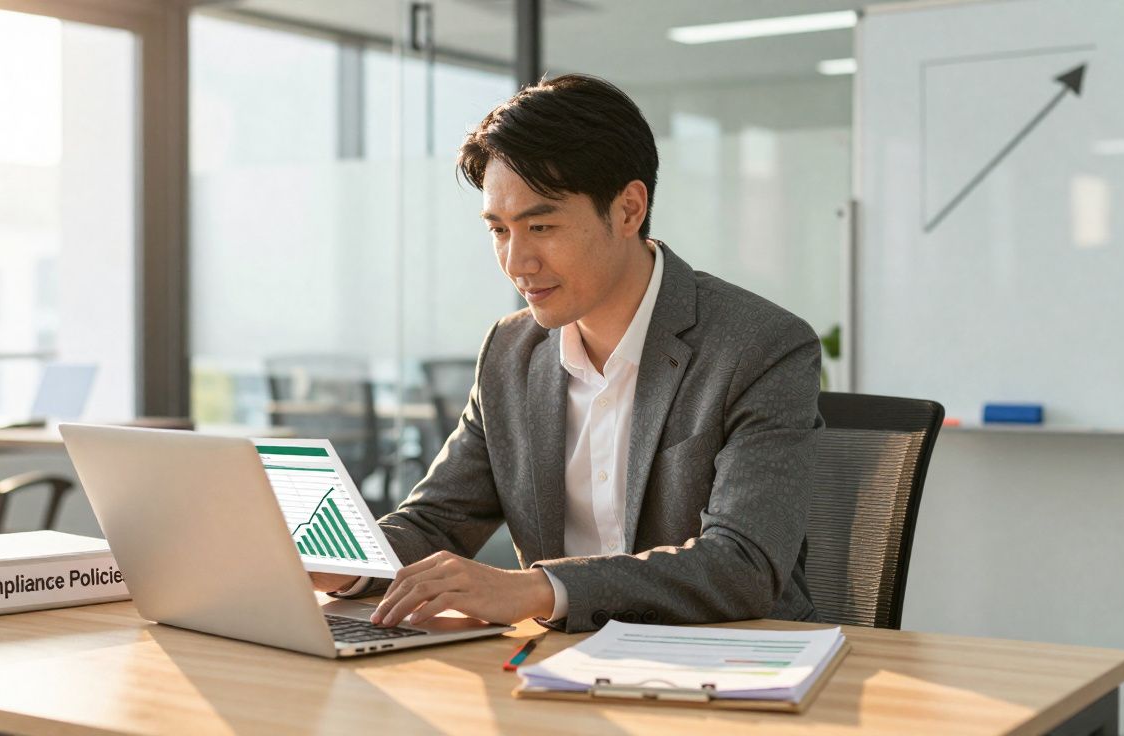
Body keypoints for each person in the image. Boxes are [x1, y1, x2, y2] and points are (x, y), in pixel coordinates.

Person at [311, 74, 823, 634]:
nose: (517, 261)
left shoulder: (759, 347)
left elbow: (741, 565)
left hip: (727, 665)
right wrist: (334, 563)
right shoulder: (511, 350)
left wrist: (535, 588)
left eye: (542, 225)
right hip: (558, 666)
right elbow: (437, 521)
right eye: (499, 230)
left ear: (629, 210)